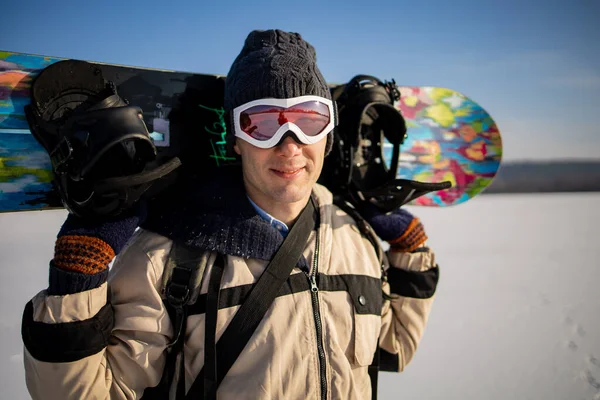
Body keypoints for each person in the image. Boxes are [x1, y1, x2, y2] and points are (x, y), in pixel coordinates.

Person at [21, 29, 439, 399]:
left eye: (309, 120)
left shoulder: (356, 236)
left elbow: (393, 348)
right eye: (263, 124)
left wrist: (410, 247)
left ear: (328, 133)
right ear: (236, 138)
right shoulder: (166, 259)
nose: (290, 144)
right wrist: (78, 278)